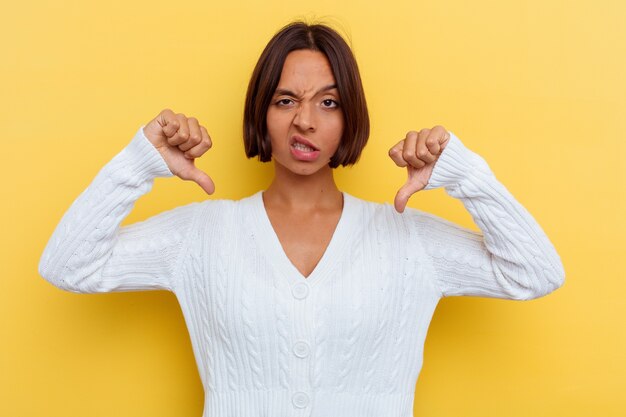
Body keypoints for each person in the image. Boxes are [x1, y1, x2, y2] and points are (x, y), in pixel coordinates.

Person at [39, 20, 565, 417]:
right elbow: (68, 266)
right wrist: (138, 164)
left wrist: (464, 175)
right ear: (261, 114)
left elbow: (535, 274)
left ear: (350, 115)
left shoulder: (408, 242)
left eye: (329, 102)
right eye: (285, 99)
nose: (305, 121)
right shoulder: (202, 235)